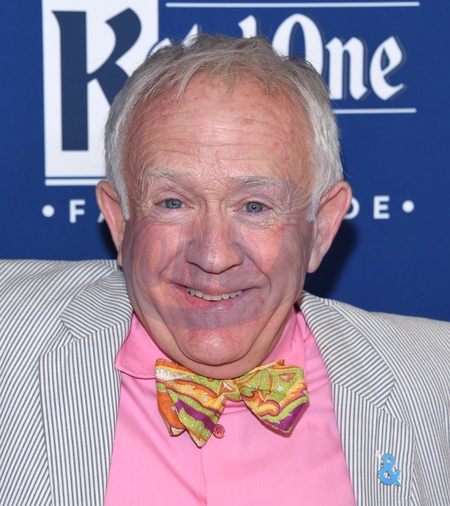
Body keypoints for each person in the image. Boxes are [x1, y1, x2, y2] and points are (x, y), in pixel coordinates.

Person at [1, 35, 449, 506]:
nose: (213, 257)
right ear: (119, 222)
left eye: (255, 206)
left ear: (321, 228)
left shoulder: (433, 380)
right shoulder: (13, 339)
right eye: (173, 203)